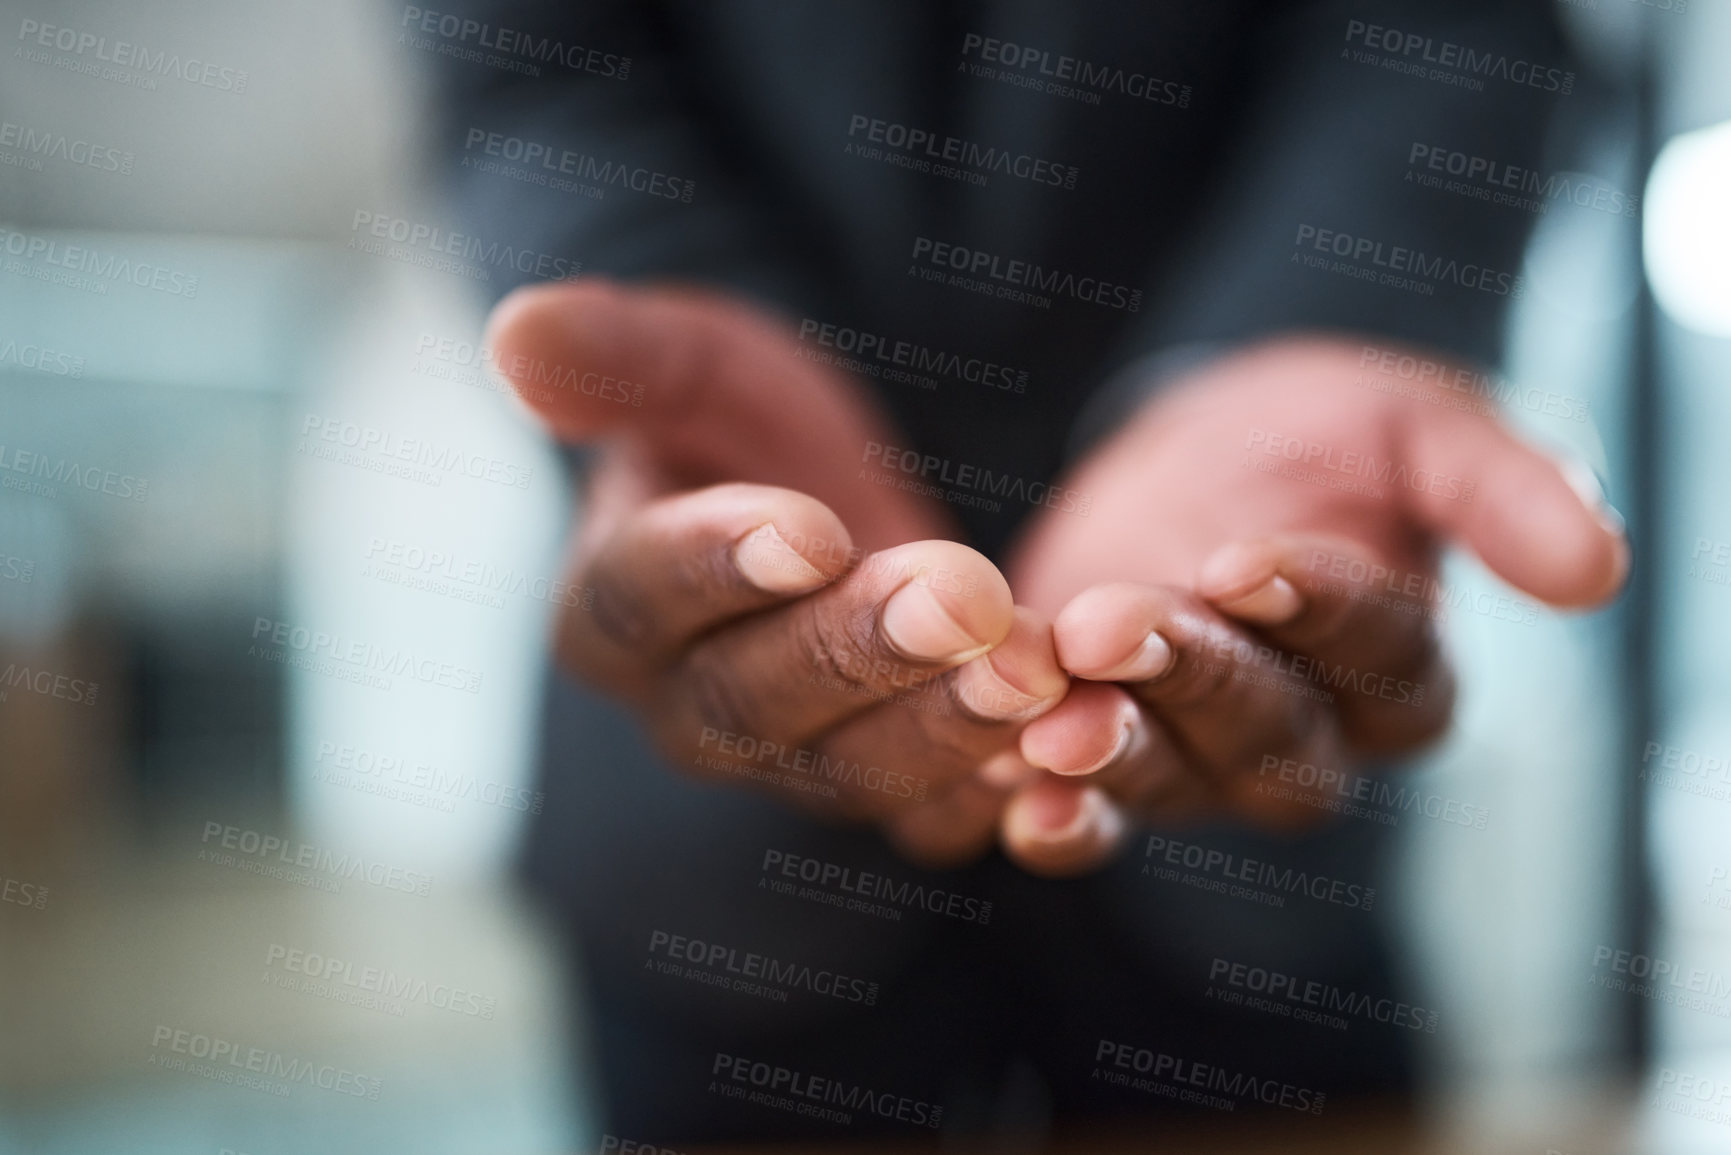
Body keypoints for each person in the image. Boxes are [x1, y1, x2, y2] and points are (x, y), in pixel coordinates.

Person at [433, 0, 1626, 1141]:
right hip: (726, 859)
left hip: (1247, 853)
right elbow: (532, 55)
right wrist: (668, 322)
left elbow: (1456, 25)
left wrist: (1313, 332)